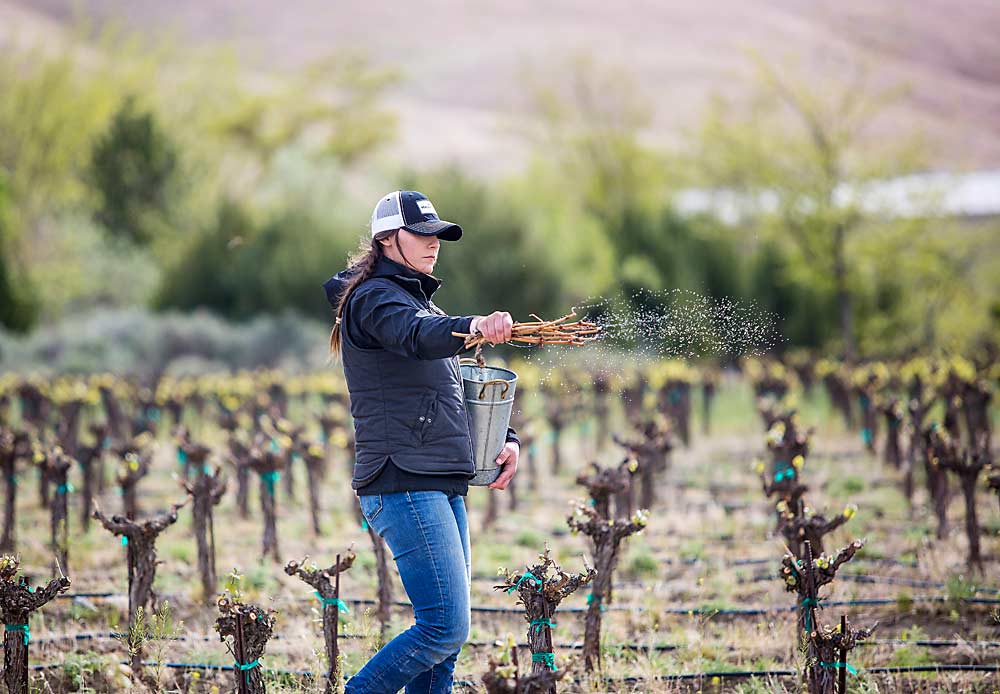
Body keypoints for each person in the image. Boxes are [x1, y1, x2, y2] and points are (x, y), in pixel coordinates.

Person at [323, 190, 520, 693]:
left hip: (439, 478)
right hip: (403, 479)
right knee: (444, 628)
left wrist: (506, 439)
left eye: (439, 236)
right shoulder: (373, 300)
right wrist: (473, 326)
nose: (434, 244)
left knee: (443, 647)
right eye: (422, 234)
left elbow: (456, 389)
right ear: (388, 239)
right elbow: (415, 335)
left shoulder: (420, 303)